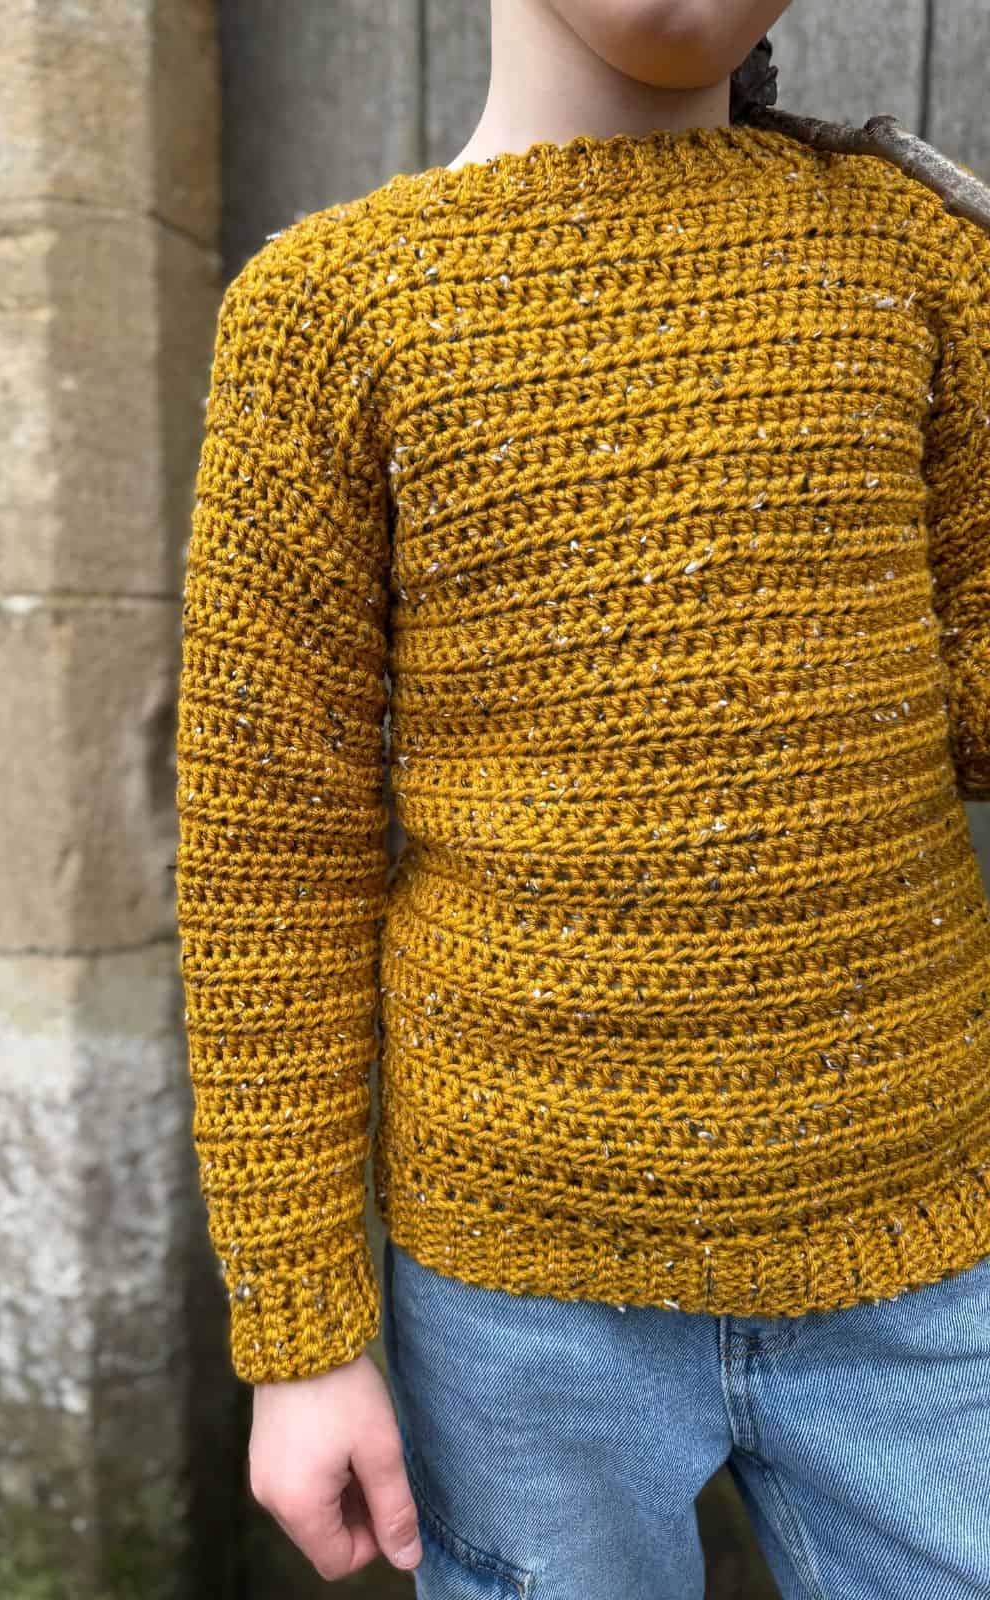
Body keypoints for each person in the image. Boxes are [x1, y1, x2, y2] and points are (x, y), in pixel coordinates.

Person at [175, 2, 990, 1595]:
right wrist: (299, 1337)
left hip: (922, 1245)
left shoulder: (915, 257)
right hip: (515, 1298)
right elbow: (269, 864)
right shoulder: (331, 315)